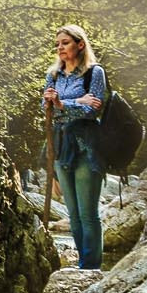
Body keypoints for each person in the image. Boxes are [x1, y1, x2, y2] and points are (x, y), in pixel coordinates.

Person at [42, 24, 107, 270]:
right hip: (61, 146)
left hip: (87, 148)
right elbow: (45, 108)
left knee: (88, 214)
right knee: (74, 215)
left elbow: (93, 110)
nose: (60, 47)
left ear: (80, 45)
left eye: (65, 42)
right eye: (58, 43)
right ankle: (83, 262)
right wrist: (75, 101)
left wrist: (62, 105)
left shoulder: (94, 73)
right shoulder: (54, 75)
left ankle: (91, 268)